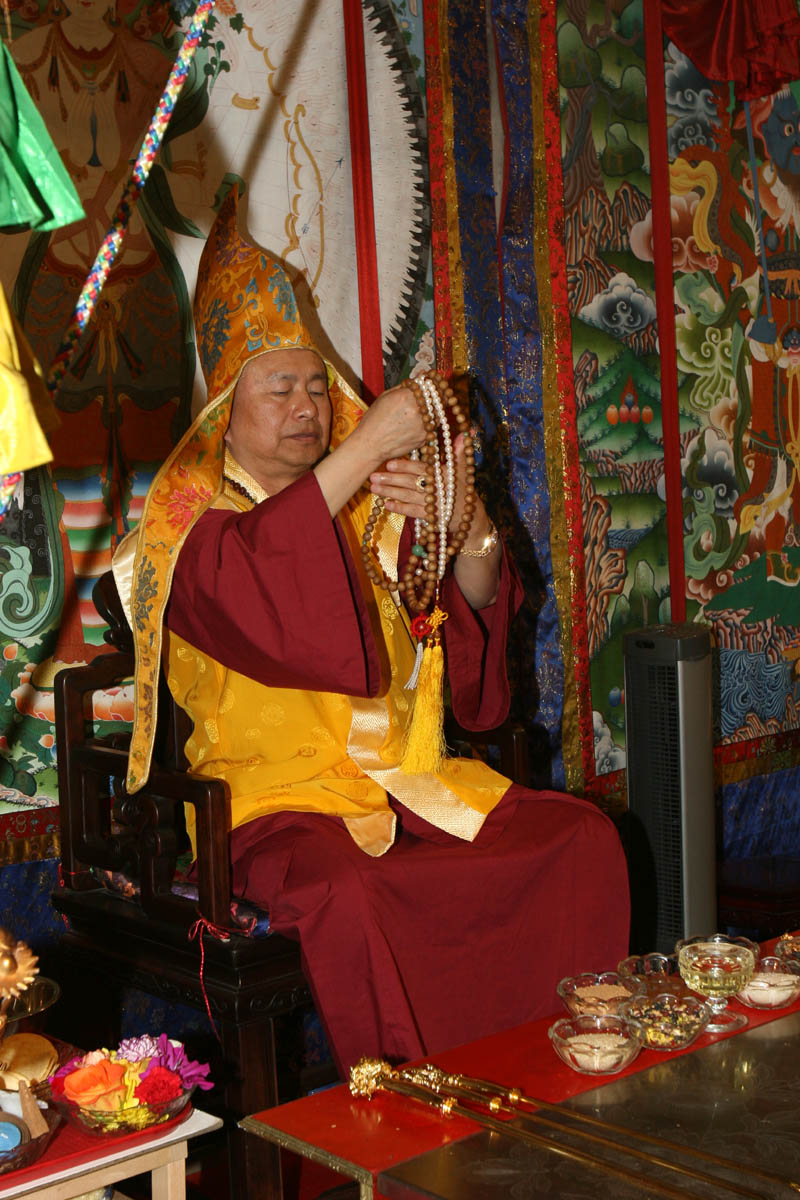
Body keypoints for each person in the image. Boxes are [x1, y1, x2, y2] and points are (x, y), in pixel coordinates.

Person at [114, 185, 630, 1077]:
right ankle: (412, 1104)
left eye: (319, 386)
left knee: (581, 840)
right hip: (278, 807)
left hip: (406, 781)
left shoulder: (366, 509)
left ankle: (556, 1075)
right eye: (281, 388)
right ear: (223, 405)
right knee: (352, 895)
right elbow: (266, 579)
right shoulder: (181, 529)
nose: (309, 406)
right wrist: (367, 444)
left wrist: (467, 525)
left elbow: (459, 617)